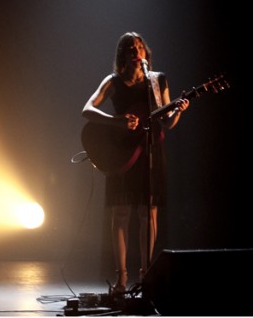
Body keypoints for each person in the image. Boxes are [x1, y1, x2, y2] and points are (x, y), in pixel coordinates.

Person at [81, 32, 189, 294]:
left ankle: (146, 275)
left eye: (139, 46)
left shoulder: (157, 80)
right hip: (121, 154)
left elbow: (168, 121)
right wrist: (116, 121)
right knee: (121, 213)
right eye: (130, 47)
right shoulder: (114, 82)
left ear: (145, 53)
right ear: (123, 55)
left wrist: (179, 111)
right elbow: (87, 110)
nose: (136, 50)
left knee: (147, 213)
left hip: (150, 151)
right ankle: (121, 277)